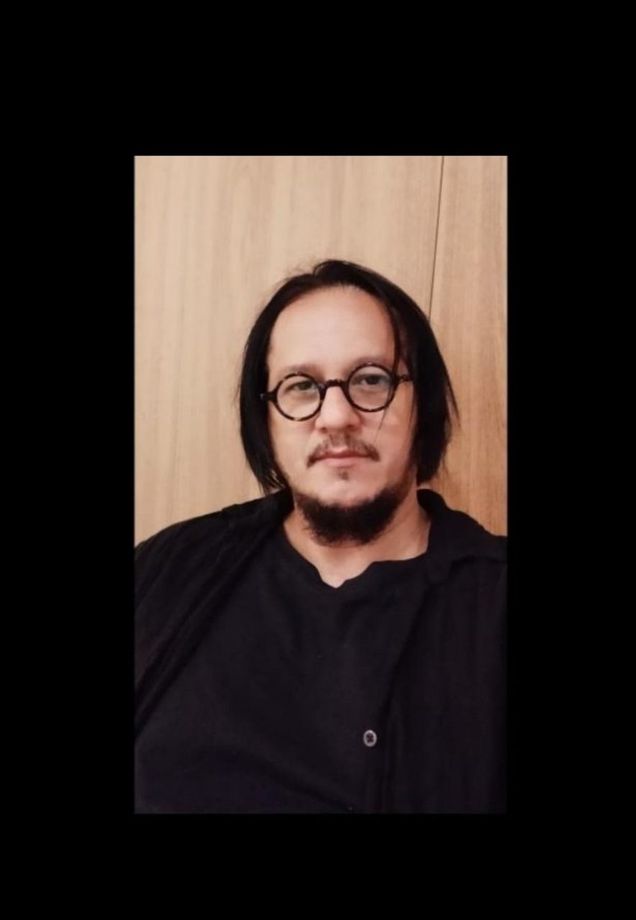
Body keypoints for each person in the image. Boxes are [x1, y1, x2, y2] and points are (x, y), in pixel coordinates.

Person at [135, 259, 506, 814]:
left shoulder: (492, 604)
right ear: (266, 420)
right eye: (301, 386)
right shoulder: (164, 572)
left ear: (422, 405)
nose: (335, 416)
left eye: (371, 379)